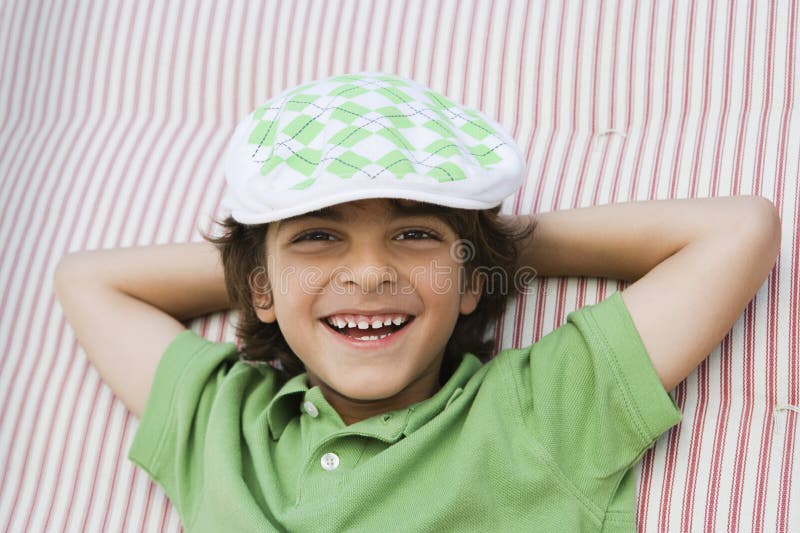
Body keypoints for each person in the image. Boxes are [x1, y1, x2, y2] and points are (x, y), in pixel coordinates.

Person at [53, 72, 781, 532]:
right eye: (318, 235)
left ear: (473, 282)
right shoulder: (223, 423)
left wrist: (485, 247)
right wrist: (276, 275)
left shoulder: (538, 412)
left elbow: (738, 229)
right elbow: (89, 280)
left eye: (412, 233)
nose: (369, 273)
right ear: (258, 289)